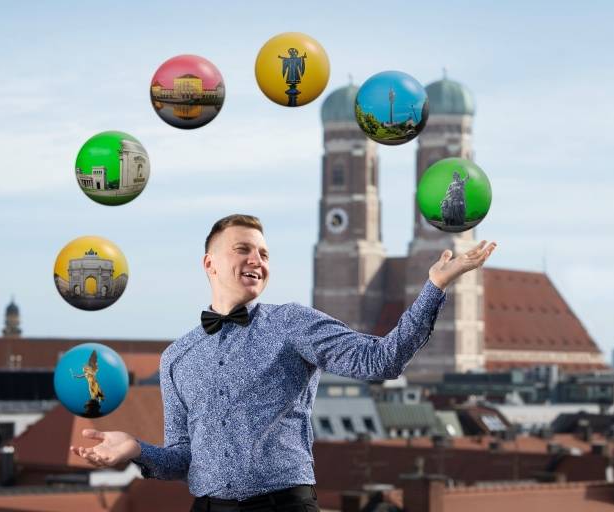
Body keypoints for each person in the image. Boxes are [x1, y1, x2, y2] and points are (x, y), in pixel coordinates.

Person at [70, 214, 496, 512]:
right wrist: (135, 450)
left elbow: (380, 361)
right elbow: (184, 459)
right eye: (243, 249)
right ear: (209, 263)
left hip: (283, 505)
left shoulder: (292, 322)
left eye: (265, 253)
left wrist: (435, 286)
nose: (257, 260)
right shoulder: (176, 358)